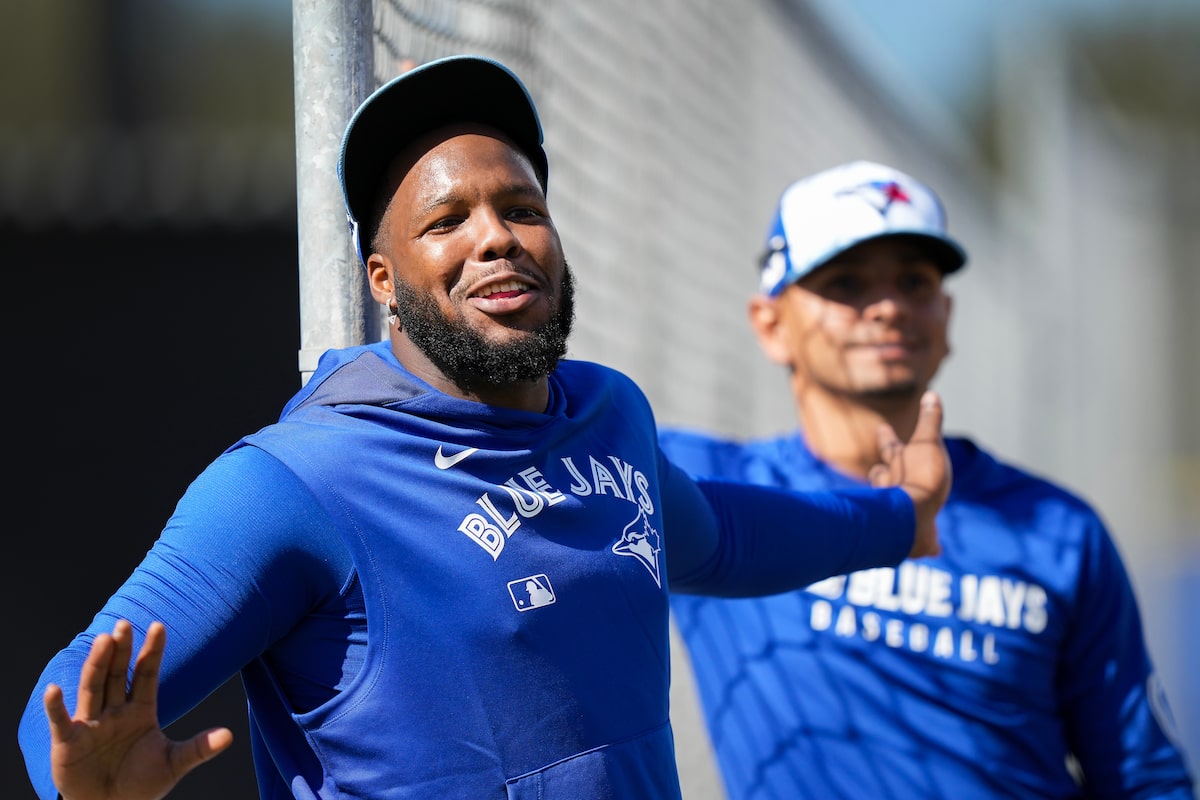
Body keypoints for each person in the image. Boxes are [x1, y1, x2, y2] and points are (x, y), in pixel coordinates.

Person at [17, 58, 953, 800]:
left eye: (521, 208)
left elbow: (719, 534)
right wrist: (84, 791)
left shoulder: (609, 414)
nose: (495, 236)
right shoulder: (292, 487)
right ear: (383, 281)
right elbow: (69, 709)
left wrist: (896, 520)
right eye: (445, 220)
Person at [661, 160, 1197, 798]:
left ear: (945, 314)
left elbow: (1144, 778)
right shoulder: (700, 491)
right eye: (847, 282)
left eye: (915, 282)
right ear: (771, 325)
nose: (889, 308)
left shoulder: (1055, 528)